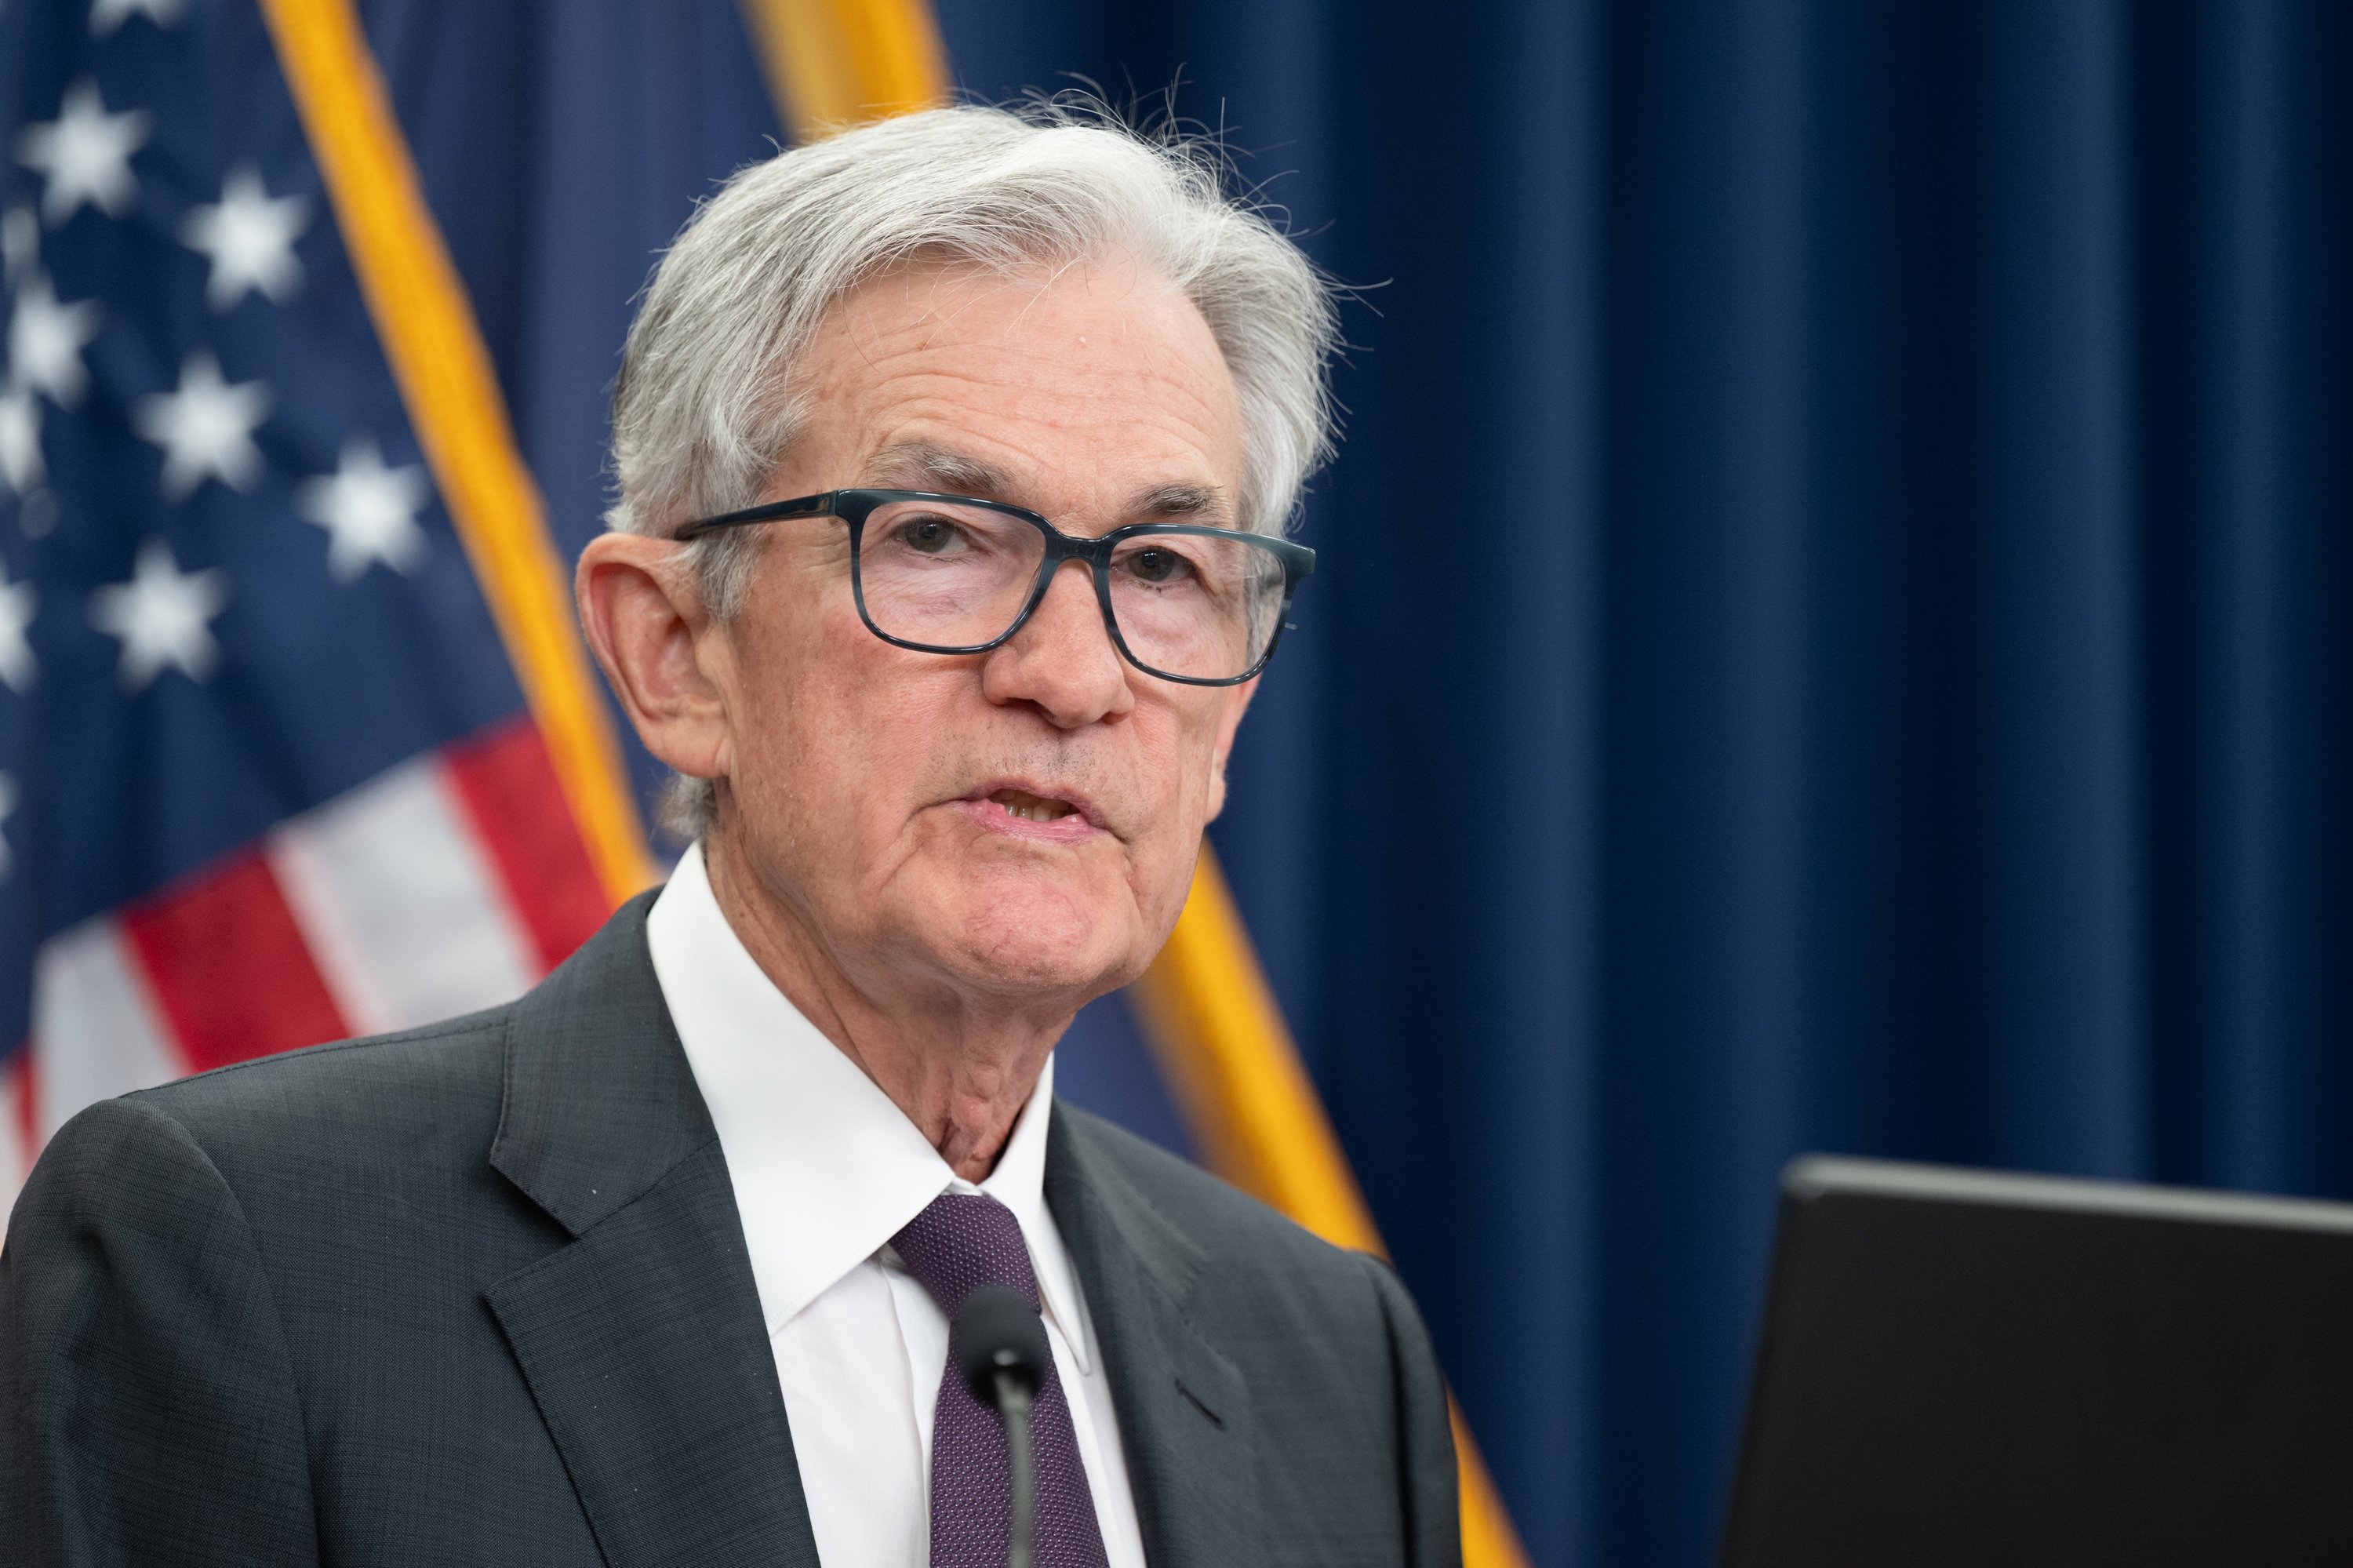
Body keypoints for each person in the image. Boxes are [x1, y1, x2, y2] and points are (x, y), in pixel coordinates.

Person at [1, 105, 1460, 1567]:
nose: (1076, 678)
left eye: (1162, 568)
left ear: (1230, 720)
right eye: (938, 537)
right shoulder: (239, 1257)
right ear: (676, 653)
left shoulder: (1331, 1360)